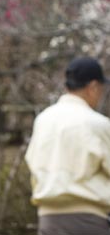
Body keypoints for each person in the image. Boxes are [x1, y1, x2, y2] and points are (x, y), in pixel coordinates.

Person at [25, 56, 110, 235]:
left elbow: (32, 162)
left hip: (48, 221)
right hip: (88, 220)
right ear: (93, 87)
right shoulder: (96, 124)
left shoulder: (43, 120)